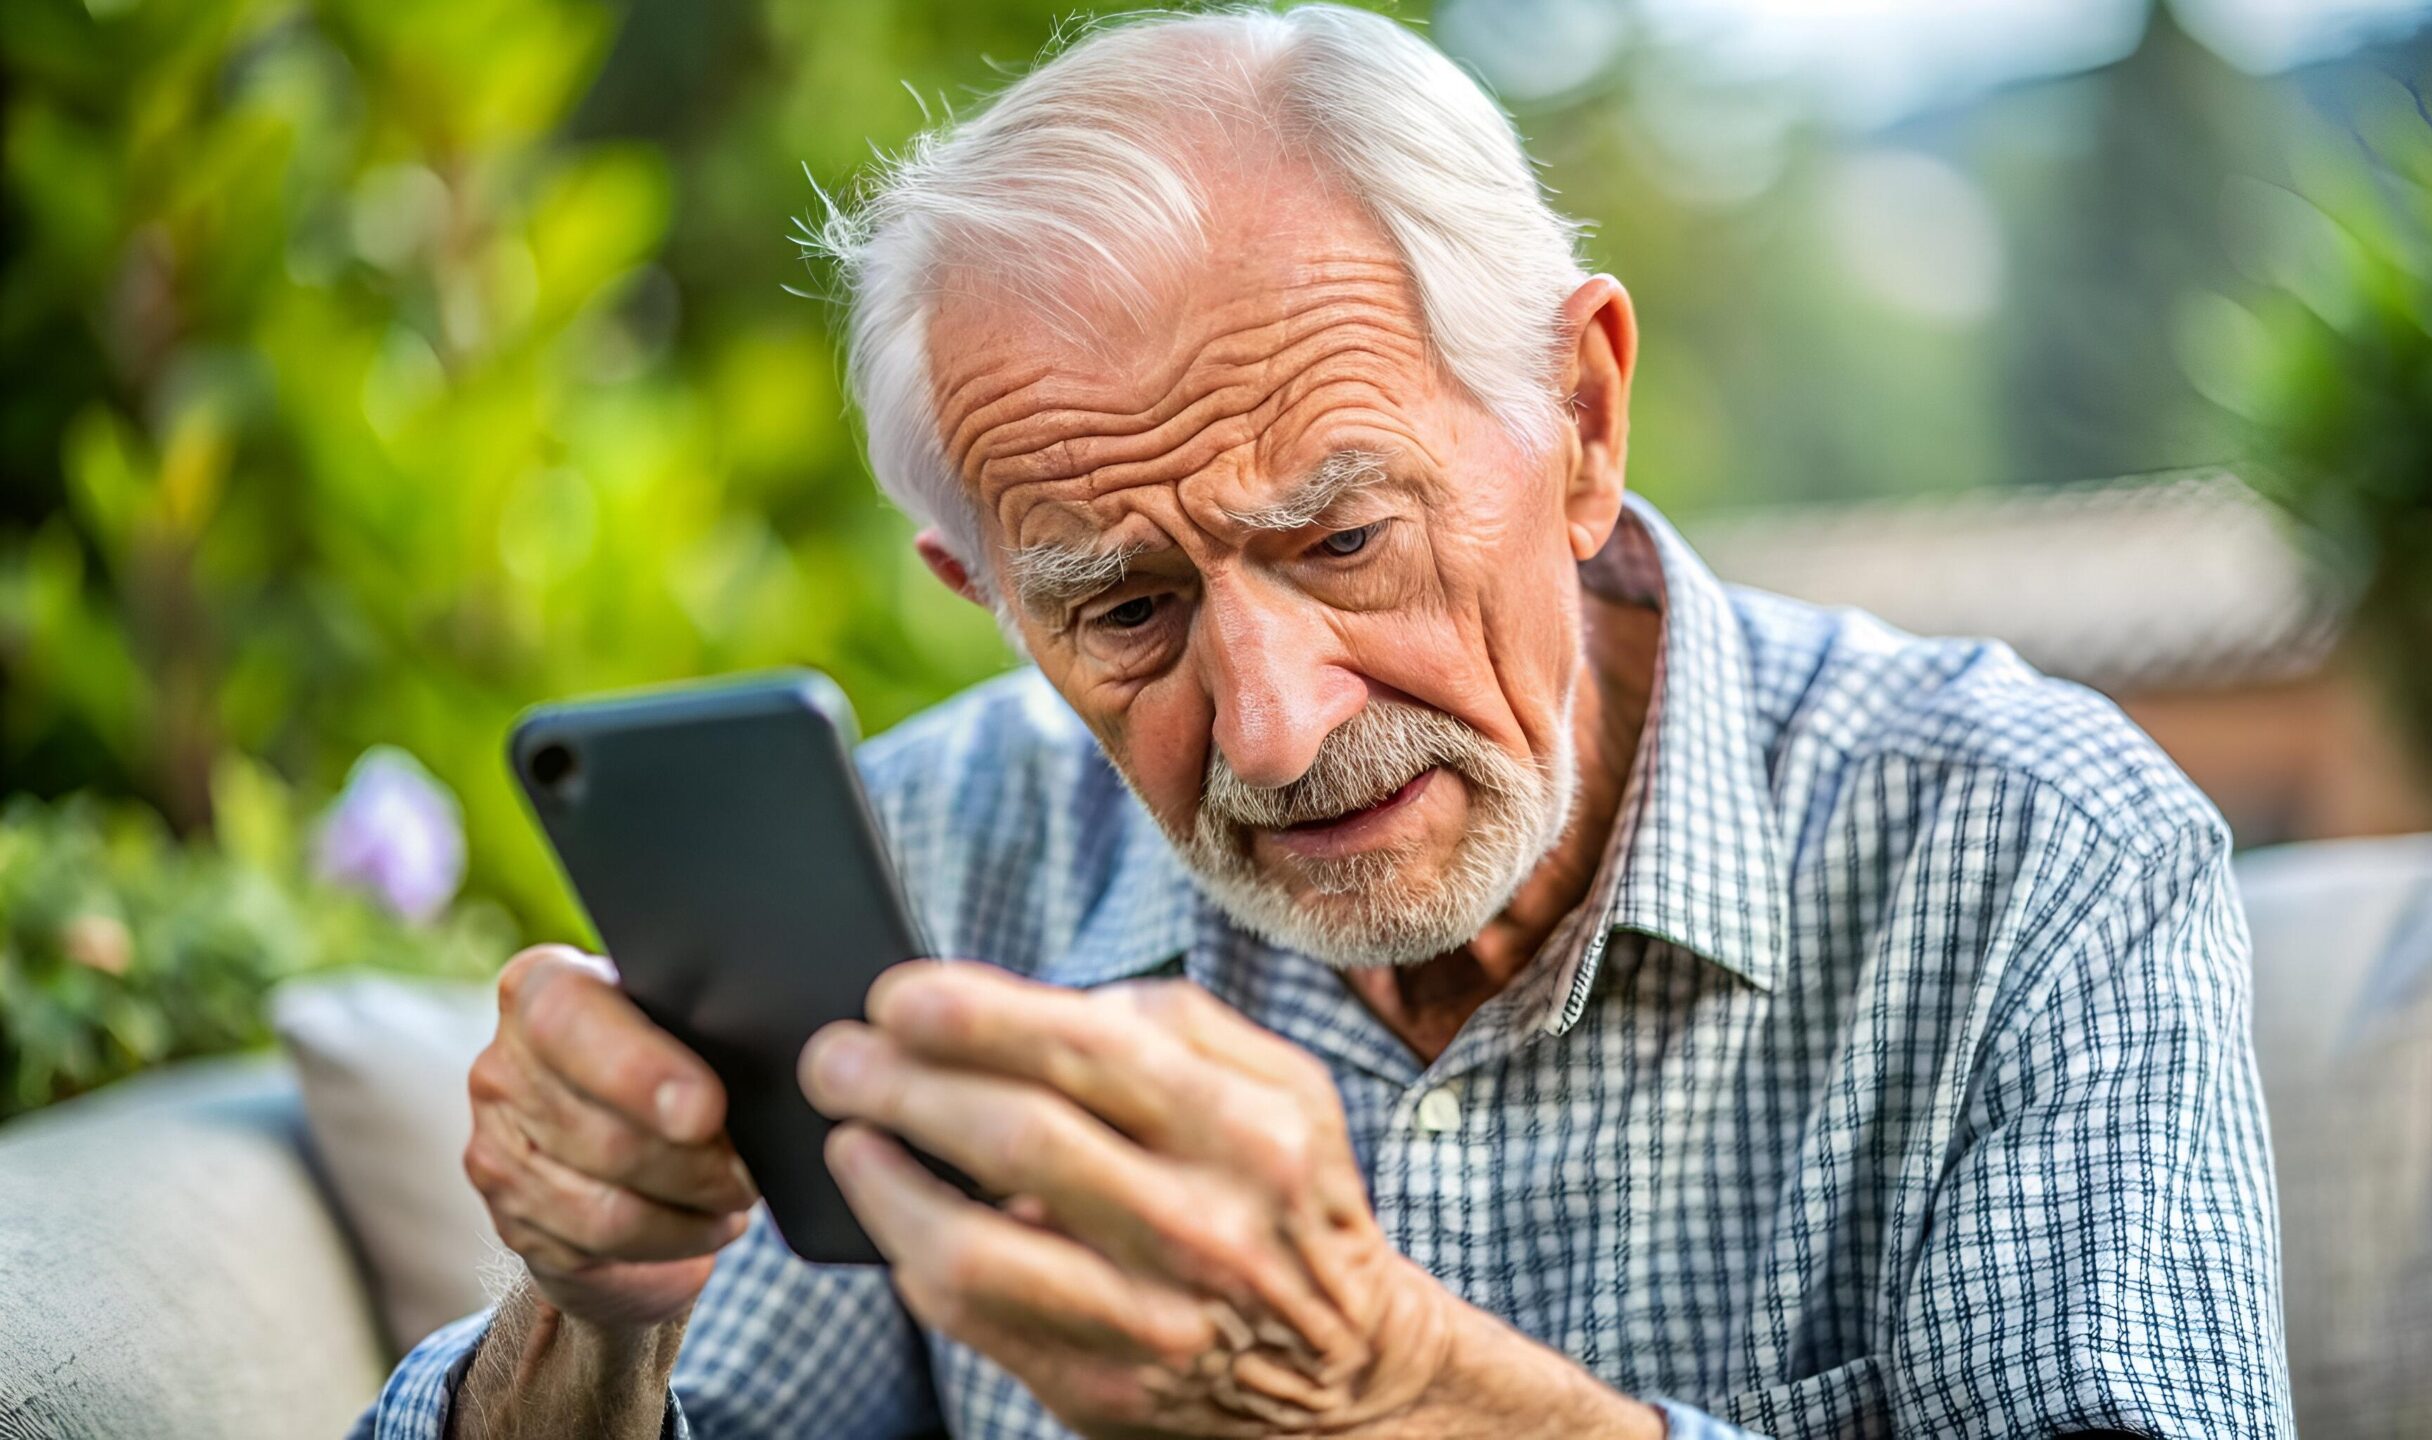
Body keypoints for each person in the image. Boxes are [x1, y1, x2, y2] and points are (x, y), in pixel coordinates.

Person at [356, 6, 2291, 1437]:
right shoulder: (927, 862)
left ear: (1583, 425)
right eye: (1124, 609)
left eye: (1347, 538)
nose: (1274, 735)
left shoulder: (2034, 852)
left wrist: (1396, 1386)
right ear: (988, 598)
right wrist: (594, 1316)